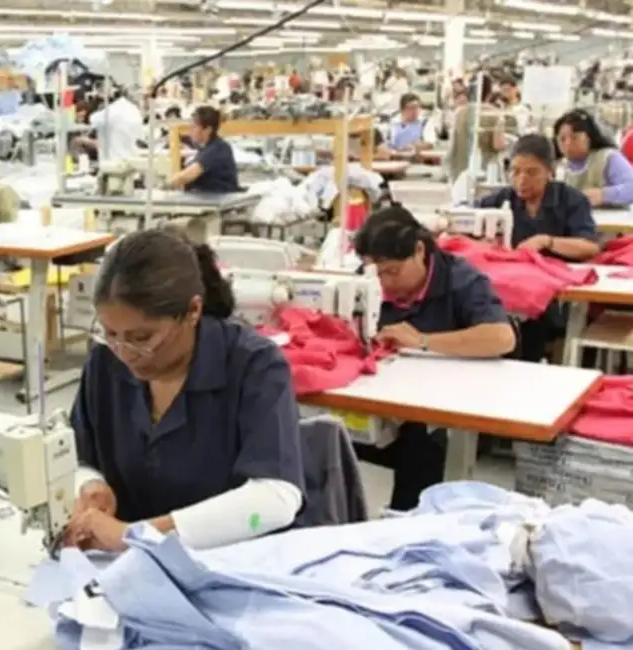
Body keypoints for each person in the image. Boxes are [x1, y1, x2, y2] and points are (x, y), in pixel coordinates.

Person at [65, 229, 305, 553]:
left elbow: (275, 498)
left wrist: (138, 535)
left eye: (142, 338)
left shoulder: (254, 366)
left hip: (234, 563)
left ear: (193, 311)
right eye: (110, 333)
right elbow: (78, 454)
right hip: (129, 564)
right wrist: (90, 485)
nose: (125, 353)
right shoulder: (105, 363)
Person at [353, 206, 516, 510]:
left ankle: (405, 525)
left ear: (419, 251)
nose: (385, 283)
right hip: (384, 404)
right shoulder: (368, 283)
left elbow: (501, 337)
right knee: (319, 435)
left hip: (440, 414)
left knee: (422, 447)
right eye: (378, 273)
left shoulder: (461, 280)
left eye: (393, 271)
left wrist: (423, 341)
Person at [475, 134, 599, 361]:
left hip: (554, 295)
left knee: (532, 323)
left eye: (531, 172)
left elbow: (589, 247)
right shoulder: (502, 199)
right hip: (511, 290)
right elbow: (466, 220)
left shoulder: (571, 200)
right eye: (515, 171)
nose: (521, 179)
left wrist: (547, 241)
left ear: (550, 172)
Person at [554, 109, 633, 207]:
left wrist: (603, 195)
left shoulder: (607, 158)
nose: (568, 143)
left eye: (575, 137)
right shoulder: (560, 167)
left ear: (589, 137)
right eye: (562, 139)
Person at [168, 106, 239, 194]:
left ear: (207, 130)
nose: (190, 131)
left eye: (194, 127)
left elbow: (187, 175)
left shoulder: (217, 149)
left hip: (216, 199)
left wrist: (165, 185)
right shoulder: (207, 148)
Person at [72, 90, 144, 164]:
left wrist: (85, 140)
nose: (80, 119)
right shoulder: (130, 110)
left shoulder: (111, 116)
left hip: (115, 161)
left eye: (81, 116)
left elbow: (105, 144)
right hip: (124, 159)